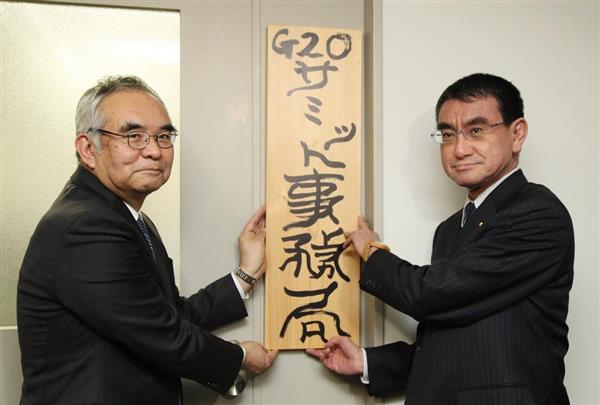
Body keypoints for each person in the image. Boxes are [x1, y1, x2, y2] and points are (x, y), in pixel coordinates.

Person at [308, 73, 574, 404]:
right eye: (448, 134)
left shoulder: (538, 212)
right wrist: (367, 362)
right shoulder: (450, 229)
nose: (459, 149)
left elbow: (431, 294)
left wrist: (372, 250)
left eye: (476, 130)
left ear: (517, 133)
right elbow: (451, 336)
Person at [17, 75, 277, 405]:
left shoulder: (127, 217)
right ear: (88, 149)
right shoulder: (85, 224)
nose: (154, 151)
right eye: (134, 136)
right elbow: (162, 334)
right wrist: (239, 356)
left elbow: (167, 315)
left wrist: (245, 274)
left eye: (163, 136)